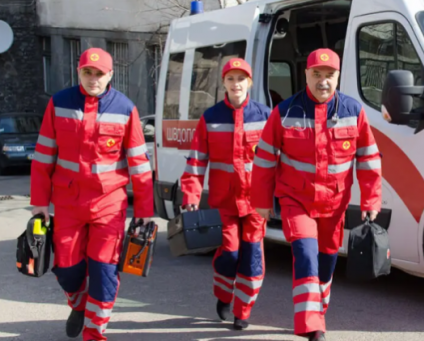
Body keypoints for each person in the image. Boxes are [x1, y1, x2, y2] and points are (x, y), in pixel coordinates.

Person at [251, 48, 382, 341]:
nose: (323, 81)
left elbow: (369, 159)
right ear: (306, 75)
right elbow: (264, 161)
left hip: (335, 204)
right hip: (295, 200)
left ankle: (318, 308)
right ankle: (311, 325)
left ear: (338, 76)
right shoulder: (284, 112)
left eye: (329, 75)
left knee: (326, 262)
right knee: (305, 255)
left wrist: (371, 200)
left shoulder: (353, 111)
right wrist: (260, 203)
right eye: (317, 74)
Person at [30, 47, 154, 341]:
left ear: (110, 75)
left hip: (109, 205)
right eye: (88, 72)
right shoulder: (59, 103)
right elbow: (43, 156)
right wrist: (39, 203)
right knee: (67, 272)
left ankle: (94, 332)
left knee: (104, 272)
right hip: (67, 203)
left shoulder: (125, 108)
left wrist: (146, 210)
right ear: (79, 72)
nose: (93, 78)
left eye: (99, 73)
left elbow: (139, 163)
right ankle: (78, 305)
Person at [180, 58, 271, 330]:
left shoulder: (265, 116)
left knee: (252, 258)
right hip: (224, 203)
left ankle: (243, 312)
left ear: (249, 83)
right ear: (224, 83)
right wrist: (190, 197)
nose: (236, 84)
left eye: (241, 79)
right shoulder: (211, 117)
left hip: (256, 204)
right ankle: (223, 296)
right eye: (231, 79)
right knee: (229, 254)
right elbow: (196, 160)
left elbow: (277, 160)